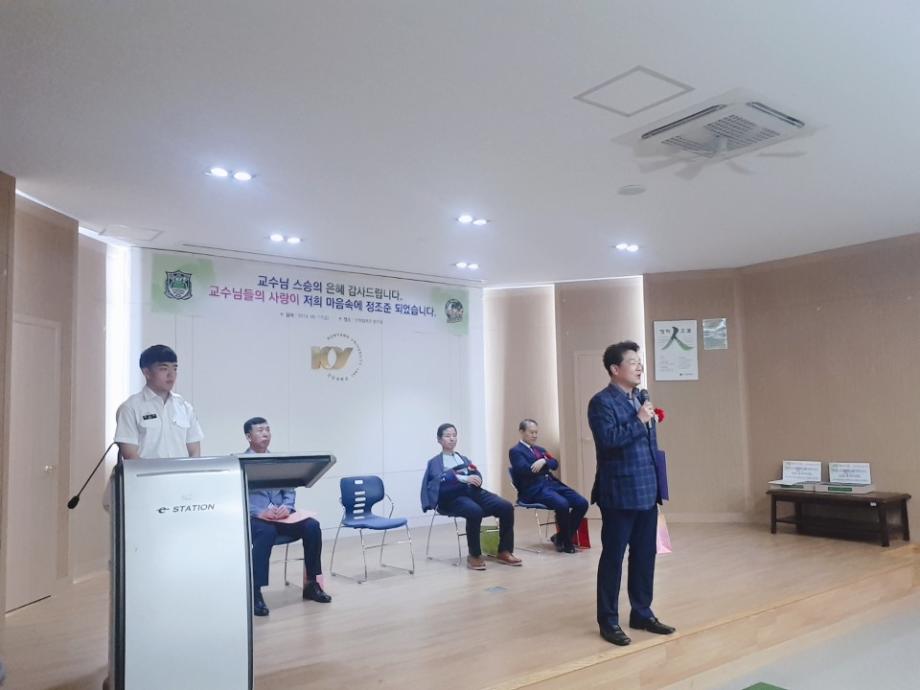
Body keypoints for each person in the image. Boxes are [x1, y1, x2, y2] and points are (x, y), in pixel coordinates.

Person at [587, 341, 675, 646]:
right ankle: (608, 620)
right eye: (633, 362)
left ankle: (642, 612)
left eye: (640, 362)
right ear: (615, 369)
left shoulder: (640, 398)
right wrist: (639, 420)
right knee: (613, 558)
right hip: (619, 492)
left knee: (645, 555)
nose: (640, 367)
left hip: (647, 490)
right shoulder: (601, 402)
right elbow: (608, 441)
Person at [243, 417, 331, 616]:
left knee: (312, 526)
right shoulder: (241, 463)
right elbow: (239, 495)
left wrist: (287, 507)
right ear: (249, 437)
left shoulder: (278, 461)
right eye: (260, 430)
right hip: (256, 518)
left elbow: (289, 489)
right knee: (266, 532)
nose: (265, 434)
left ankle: (312, 584)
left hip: (282, 517)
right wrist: (259, 512)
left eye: (268, 430)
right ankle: (255, 592)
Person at [421, 423, 522, 570]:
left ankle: (504, 551)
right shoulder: (435, 462)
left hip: (473, 492)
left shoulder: (463, 458)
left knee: (506, 506)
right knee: (475, 511)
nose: (452, 438)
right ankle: (474, 555)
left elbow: (474, 472)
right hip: (452, 498)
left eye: (454, 435)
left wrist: (477, 477)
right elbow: (439, 481)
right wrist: (463, 478)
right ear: (439, 440)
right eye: (447, 436)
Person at [509, 419, 588, 553]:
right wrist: (545, 465)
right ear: (522, 432)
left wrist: (543, 461)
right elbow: (525, 470)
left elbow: (555, 463)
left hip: (552, 484)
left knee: (582, 503)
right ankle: (567, 542)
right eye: (531, 432)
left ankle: (561, 537)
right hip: (533, 489)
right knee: (562, 504)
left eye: (536, 432)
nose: (534, 435)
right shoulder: (515, 451)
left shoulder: (540, 450)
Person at [114, 344, 203, 460]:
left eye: (174, 368)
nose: (171, 374)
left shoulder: (185, 408)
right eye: (164, 369)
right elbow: (130, 455)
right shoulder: (130, 408)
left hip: (181, 472)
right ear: (146, 372)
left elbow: (195, 452)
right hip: (145, 472)